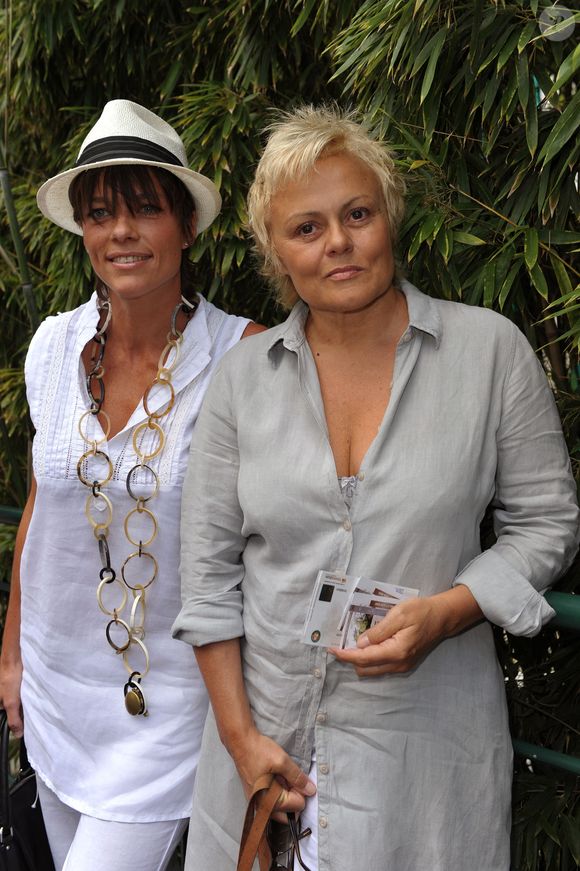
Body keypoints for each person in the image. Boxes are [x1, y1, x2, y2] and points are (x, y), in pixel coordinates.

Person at [172, 105, 579, 871]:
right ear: (276, 252)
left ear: (389, 215)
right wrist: (240, 741)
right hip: (263, 754)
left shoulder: (490, 352)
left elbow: (548, 523)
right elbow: (207, 578)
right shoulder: (239, 384)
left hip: (422, 754)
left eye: (357, 213)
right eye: (307, 228)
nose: (338, 243)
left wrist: (451, 610)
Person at [0, 99, 264, 871]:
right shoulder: (53, 345)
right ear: (82, 228)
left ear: (186, 226)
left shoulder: (239, 356)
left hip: (173, 701)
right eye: (101, 212)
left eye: (145, 209)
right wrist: (13, 650)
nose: (120, 231)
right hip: (56, 686)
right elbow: (43, 505)